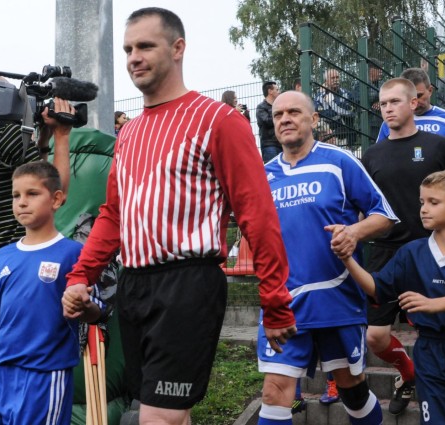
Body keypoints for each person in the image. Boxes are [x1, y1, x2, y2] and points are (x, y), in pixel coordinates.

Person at [62, 8, 294, 425]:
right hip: (133, 286)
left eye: (145, 46)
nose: (134, 56)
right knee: (165, 414)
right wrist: (82, 275)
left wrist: (274, 300)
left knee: (158, 418)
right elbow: (113, 215)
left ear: (178, 48)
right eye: (128, 48)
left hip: (187, 283)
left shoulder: (219, 120)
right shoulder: (128, 133)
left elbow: (256, 215)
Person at [257, 90, 397, 425]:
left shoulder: (340, 162)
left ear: (314, 120)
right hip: (284, 302)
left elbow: (385, 216)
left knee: (352, 389)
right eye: (278, 115)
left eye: (293, 112)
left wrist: (354, 233)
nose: (285, 119)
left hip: (337, 300)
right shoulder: (263, 176)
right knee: (275, 391)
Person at [361, 77, 445, 415]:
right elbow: (362, 205)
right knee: (375, 337)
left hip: (435, 250)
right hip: (387, 251)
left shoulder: (438, 144)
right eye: (382, 104)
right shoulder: (371, 155)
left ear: (413, 103)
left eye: (394, 102)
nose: (387, 109)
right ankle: (407, 373)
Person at [0, 95, 74, 424]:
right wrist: (60, 135)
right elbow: (53, 184)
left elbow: (40, 179)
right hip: (15, 272)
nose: (21, 202)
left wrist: (44, 139)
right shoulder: (8, 139)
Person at [0, 161, 99, 424]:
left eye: (32, 194)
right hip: (1, 375)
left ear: (56, 199)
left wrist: (84, 307)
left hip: (46, 375)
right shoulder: (2, 257)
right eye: (16, 195)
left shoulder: (74, 255)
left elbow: (96, 311)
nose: (22, 202)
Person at [338, 170, 445, 425]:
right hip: (429, 351)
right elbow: (376, 287)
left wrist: (431, 304)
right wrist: (347, 258)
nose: (424, 209)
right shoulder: (410, 253)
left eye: (433, 202)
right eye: (422, 202)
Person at [376, 68, 445, 160]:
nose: (416, 101)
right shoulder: (390, 122)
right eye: (410, 96)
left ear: (430, 90)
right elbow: (378, 157)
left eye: (419, 95)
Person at [315, 68, 357, 149]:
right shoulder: (319, 97)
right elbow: (318, 114)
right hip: (328, 138)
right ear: (326, 81)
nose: (335, 80)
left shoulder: (347, 94)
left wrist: (331, 103)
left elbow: (351, 112)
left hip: (346, 136)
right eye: (332, 78)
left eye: (337, 77)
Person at [256, 81, 281, 161]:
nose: (279, 92)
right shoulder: (261, 107)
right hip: (269, 145)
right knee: (272, 171)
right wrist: (278, 116)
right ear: (270, 91)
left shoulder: (279, 106)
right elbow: (267, 121)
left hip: (281, 143)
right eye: (277, 90)